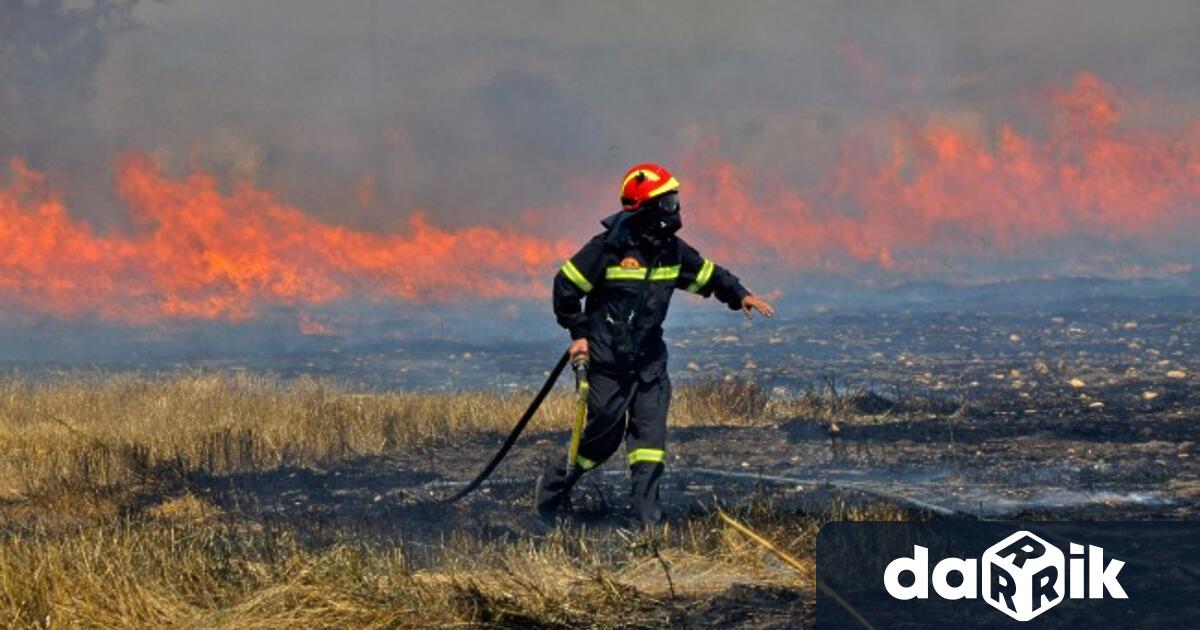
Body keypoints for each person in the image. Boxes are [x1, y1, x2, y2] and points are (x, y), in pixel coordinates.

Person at [537, 163, 775, 526]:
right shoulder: (607, 249)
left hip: (649, 364)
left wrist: (740, 295)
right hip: (607, 363)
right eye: (666, 202)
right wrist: (579, 333)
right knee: (600, 442)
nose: (674, 209)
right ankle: (551, 496)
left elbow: (708, 274)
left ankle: (647, 526)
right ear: (646, 209)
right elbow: (565, 288)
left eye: (674, 200)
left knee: (650, 445)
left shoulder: (672, 252)